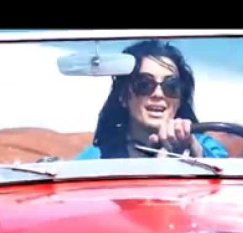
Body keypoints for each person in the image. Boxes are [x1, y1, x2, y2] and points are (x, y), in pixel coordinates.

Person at [76, 39, 228, 160]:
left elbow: (224, 174)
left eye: (171, 86)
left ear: (180, 98)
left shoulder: (206, 146)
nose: (158, 94)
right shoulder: (97, 158)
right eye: (144, 84)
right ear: (123, 96)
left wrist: (195, 152)